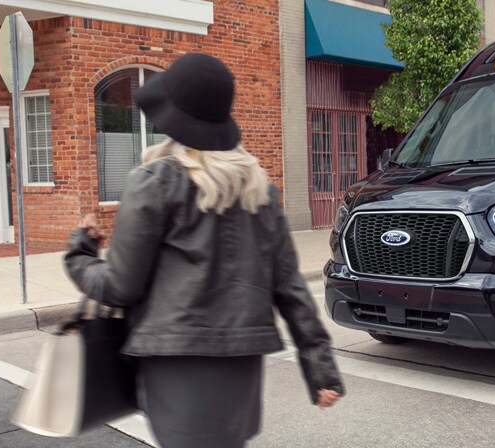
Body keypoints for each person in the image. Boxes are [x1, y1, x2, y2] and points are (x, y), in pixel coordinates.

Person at [64, 53, 343, 448]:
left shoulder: (155, 183)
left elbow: (119, 287)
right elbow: (290, 287)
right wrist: (321, 371)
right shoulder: (260, 192)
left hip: (176, 362)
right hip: (241, 366)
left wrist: (80, 254)